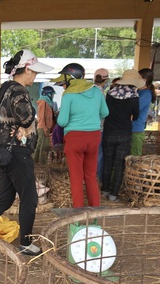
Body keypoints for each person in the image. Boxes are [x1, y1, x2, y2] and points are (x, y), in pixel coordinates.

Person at [0, 49, 53, 256]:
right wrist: (28, 124)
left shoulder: (4, 88)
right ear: (28, 70)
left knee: (4, 197)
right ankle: (25, 242)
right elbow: (25, 118)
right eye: (35, 72)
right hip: (17, 152)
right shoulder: (19, 91)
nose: (36, 77)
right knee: (29, 198)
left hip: (5, 151)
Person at [54, 62, 109, 208]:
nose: (64, 85)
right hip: (94, 137)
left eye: (64, 82)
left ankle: (78, 217)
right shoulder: (97, 91)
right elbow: (105, 113)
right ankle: (95, 213)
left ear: (71, 79)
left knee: (76, 179)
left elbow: (62, 121)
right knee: (91, 176)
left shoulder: (68, 95)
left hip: (75, 138)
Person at [100, 69, 143, 202]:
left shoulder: (110, 93)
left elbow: (105, 111)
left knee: (107, 162)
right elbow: (136, 115)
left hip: (109, 132)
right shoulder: (134, 94)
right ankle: (113, 195)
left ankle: (105, 190)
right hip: (124, 133)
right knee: (119, 164)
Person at [131, 68, 156, 156]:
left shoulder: (145, 94)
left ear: (144, 80)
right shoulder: (138, 91)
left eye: (138, 78)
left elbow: (134, 109)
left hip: (136, 129)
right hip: (131, 128)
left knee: (134, 157)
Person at [93, 67, 109, 181]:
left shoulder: (88, 90)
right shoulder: (101, 93)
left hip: (87, 129)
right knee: (98, 156)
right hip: (99, 129)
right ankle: (97, 181)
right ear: (106, 80)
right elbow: (104, 113)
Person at [34, 85, 57, 164]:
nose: (53, 96)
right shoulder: (43, 102)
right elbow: (42, 116)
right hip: (43, 127)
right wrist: (45, 128)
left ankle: (36, 162)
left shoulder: (47, 103)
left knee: (40, 145)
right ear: (48, 94)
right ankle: (42, 164)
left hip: (43, 126)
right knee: (44, 146)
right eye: (52, 94)